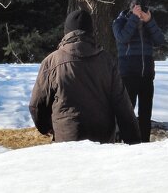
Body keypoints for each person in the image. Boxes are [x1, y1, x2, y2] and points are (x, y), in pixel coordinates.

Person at [29, 8, 140, 144]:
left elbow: (37, 104)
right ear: (91, 32)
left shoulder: (52, 62)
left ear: (67, 32)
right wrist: (134, 141)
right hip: (102, 138)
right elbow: (122, 104)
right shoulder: (107, 60)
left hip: (67, 138)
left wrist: (46, 128)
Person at [113, 0, 167, 143]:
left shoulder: (148, 23)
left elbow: (160, 40)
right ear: (131, 9)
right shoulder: (120, 22)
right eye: (138, 9)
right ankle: (123, 140)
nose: (141, 13)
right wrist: (134, 19)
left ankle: (144, 141)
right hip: (128, 74)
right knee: (127, 111)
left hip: (147, 74)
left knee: (145, 113)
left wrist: (149, 21)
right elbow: (122, 38)